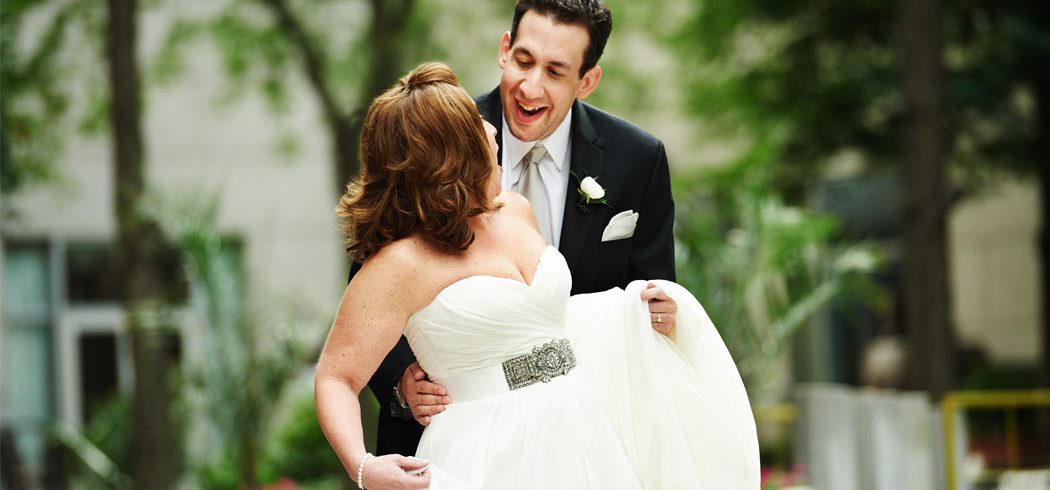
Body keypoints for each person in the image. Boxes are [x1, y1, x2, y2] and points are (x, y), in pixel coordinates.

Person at [316, 61, 758, 489]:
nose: (492, 130)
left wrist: (633, 306)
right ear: (449, 156)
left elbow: (546, 320)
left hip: (584, 436)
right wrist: (362, 467)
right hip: (484, 456)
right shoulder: (400, 264)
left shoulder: (516, 211)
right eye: (477, 125)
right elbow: (337, 376)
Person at [366, 0, 680, 457]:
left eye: (555, 72)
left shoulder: (639, 160)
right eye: (524, 61)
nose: (530, 87)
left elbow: (653, 296)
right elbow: (369, 278)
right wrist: (400, 377)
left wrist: (665, 315)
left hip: (587, 438)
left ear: (587, 81)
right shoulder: (432, 140)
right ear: (504, 49)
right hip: (448, 434)